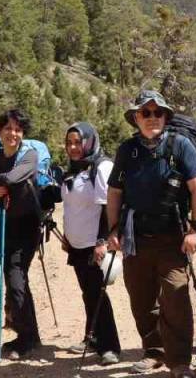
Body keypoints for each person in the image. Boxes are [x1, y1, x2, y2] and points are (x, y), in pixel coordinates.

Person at [105, 90, 196, 378]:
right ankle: (153, 351)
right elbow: (115, 192)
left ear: (165, 116)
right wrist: (113, 230)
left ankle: (180, 362)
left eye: (157, 113)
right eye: (145, 113)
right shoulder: (127, 150)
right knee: (141, 299)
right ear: (136, 117)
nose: (152, 118)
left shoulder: (180, 146)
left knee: (176, 296)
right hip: (135, 236)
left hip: (172, 237)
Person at [0, 109, 50, 359]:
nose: (13, 134)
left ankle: (27, 337)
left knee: (16, 278)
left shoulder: (29, 155)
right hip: (3, 225)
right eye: (8, 128)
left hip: (27, 227)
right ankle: (28, 333)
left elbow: (13, 176)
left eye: (18, 129)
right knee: (13, 279)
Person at [61, 122, 122, 366]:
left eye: (78, 142)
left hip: (93, 244)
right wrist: (67, 235)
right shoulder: (75, 169)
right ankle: (93, 337)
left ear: (90, 141)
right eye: (69, 143)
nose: (74, 147)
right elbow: (71, 206)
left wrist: (101, 241)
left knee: (97, 295)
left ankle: (110, 348)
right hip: (77, 243)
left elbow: (108, 206)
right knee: (88, 293)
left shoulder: (102, 167)